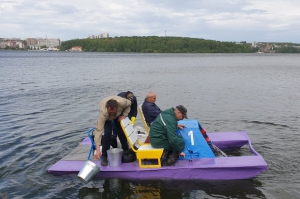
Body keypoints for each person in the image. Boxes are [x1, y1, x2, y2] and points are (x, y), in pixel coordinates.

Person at [93, 96, 131, 166]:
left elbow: (129, 104)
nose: (112, 113)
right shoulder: (103, 113)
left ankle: (126, 149)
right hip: (107, 118)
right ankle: (104, 156)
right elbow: (98, 131)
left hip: (118, 115)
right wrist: (98, 150)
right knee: (107, 133)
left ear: (117, 108)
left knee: (121, 131)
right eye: (110, 112)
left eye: (113, 112)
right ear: (108, 109)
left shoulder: (122, 103)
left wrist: (124, 115)